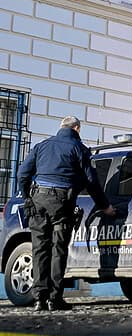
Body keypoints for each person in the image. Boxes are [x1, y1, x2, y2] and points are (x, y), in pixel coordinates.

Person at [17, 116, 115, 311]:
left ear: (61, 127)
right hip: (62, 203)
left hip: (38, 200)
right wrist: (104, 206)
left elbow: (22, 174)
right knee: (58, 249)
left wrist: (28, 196)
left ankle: (39, 299)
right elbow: (91, 181)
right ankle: (54, 298)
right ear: (76, 129)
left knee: (39, 249)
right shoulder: (79, 149)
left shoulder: (42, 146)